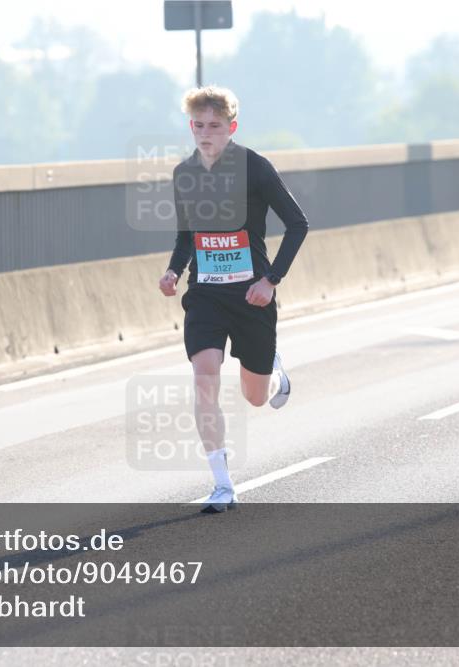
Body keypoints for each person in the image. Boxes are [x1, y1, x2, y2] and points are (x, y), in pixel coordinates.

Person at [158, 85, 309, 514]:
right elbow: (187, 236)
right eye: (198, 126)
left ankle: (274, 366)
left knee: (256, 397)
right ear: (191, 127)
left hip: (251, 297)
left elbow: (298, 223)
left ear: (232, 128)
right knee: (204, 380)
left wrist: (271, 280)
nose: (205, 134)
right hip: (205, 295)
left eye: (215, 127)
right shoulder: (184, 175)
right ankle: (223, 486)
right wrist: (174, 270)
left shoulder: (255, 169)